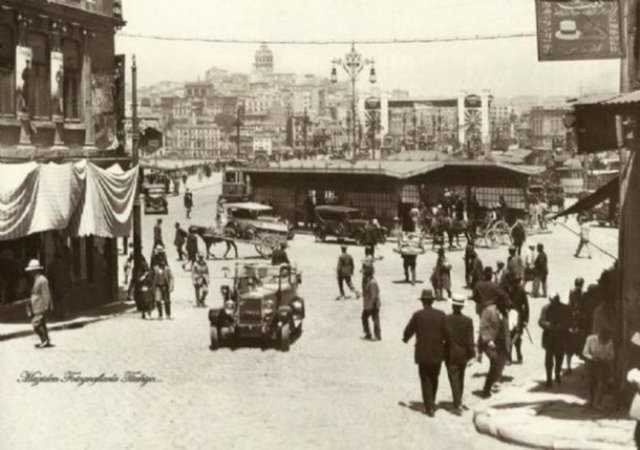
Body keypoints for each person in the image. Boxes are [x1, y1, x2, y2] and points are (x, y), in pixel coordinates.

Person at [402, 289, 448, 417]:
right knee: (435, 378)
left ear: (423, 302)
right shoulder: (441, 314)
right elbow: (446, 332)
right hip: (438, 352)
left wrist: (405, 338)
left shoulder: (418, 315)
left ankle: (429, 407)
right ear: (432, 301)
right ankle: (431, 402)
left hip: (422, 352)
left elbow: (409, 330)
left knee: (425, 379)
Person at [445, 294, 475, 414]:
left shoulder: (446, 319)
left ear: (452, 305)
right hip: (463, 354)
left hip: (450, 353)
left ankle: (457, 402)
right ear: (462, 306)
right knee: (461, 377)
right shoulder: (468, 321)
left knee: (453, 378)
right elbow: (470, 340)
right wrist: (472, 354)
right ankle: (458, 400)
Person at [478, 295, 507, 398]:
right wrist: (488, 340)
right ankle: (486, 389)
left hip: (501, 343)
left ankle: (492, 384)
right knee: (494, 361)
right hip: (488, 342)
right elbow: (483, 327)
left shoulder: (504, 312)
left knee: (498, 365)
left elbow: (506, 328)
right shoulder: (488, 311)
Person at [539, 293, 569, 388]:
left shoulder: (565, 308)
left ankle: (557, 374)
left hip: (561, 336)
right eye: (552, 300)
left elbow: (569, 321)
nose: (554, 302)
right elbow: (540, 321)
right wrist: (549, 325)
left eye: (555, 300)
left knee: (559, 357)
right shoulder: (545, 308)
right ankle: (548, 378)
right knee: (549, 358)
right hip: (549, 337)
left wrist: (561, 326)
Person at [582, 326, 614, 409]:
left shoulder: (609, 342)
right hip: (591, 363)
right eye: (603, 339)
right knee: (591, 383)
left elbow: (612, 355)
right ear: (599, 335)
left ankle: (598, 403)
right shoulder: (590, 339)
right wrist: (592, 357)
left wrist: (606, 358)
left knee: (601, 383)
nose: (604, 341)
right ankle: (590, 401)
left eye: (605, 340)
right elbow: (585, 352)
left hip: (602, 365)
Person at [25, 259, 53, 348]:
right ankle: (45, 340)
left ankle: (44, 340)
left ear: (36, 270)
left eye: (32, 271)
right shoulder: (34, 280)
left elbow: (46, 294)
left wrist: (46, 306)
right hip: (35, 306)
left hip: (41, 306)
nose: (30, 273)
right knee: (41, 324)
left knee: (36, 324)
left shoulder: (42, 280)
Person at [566, 277, 586, 373]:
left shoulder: (580, 294)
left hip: (578, 321)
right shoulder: (579, 294)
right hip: (575, 321)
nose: (579, 287)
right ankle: (569, 367)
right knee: (571, 346)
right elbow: (570, 305)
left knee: (577, 345)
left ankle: (569, 366)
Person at [508, 277, 529, 364]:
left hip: (519, 317)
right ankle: (508, 357)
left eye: (516, 282)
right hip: (509, 315)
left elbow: (526, 307)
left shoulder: (522, 291)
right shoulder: (509, 290)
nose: (515, 284)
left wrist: (525, 320)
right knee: (509, 336)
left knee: (517, 337)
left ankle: (519, 356)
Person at [151, 248, 174, 319]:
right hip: (158, 286)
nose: (162, 261)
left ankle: (168, 314)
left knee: (167, 301)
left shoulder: (167, 268)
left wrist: (171, 286)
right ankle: (160, 315)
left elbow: (171, 278)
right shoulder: (155, 266)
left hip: (165, 286)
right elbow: (152, 276)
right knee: (158, 300)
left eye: (163, 261)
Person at [361, 269, 381, 341]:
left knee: (375, 319)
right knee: (365, 318)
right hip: (369, 304)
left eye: (364, 273)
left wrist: (371, 306)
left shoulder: (372, 282)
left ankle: (377, 336)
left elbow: (374, 295)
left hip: (372, 305)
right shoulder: (368, 280)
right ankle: (369, 334)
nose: (363, 274)